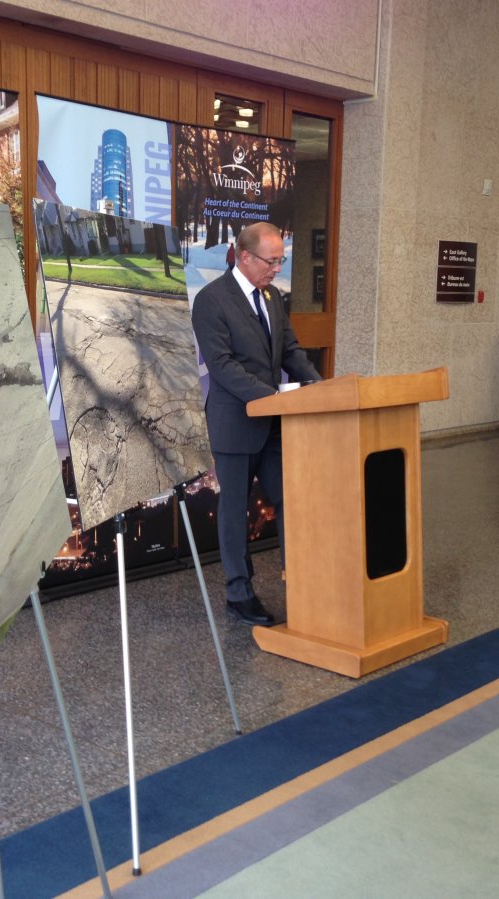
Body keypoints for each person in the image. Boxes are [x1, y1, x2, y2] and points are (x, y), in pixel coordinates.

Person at [192, 222, 321, 625]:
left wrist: (320, 388)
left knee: (290, 499)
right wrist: (272, 397)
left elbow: (291, 351)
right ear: (244, 256)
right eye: (272, 261)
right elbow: (224, 367)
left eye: (280, 260)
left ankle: (302, 583)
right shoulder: (212, 301)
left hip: (274, 424)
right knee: (234, 509)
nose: (277, 269)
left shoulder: (273, 297)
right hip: (235, 423)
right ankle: (239, 594)